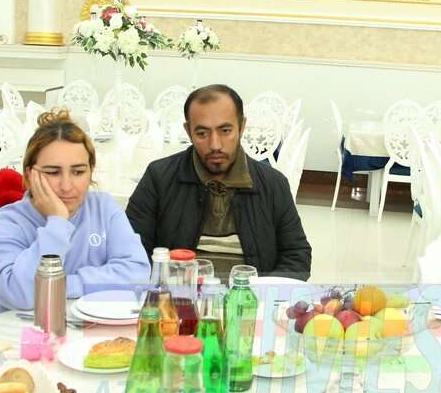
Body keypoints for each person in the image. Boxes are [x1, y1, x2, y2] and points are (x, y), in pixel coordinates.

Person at [126, 84, 312, 279]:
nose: (215, 145)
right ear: (188, 131)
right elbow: (130, 251)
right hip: (178, 294)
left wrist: (261, 291)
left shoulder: (272, 184)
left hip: (251, 295)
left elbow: (296, 256)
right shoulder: (159, 178)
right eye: (202, 133)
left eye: (225, 130)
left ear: (242, 127)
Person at [0, 109, 150, 309]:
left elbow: (137, 274)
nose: (67, 186)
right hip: (17, 327)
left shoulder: (104, 208)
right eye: (53, 172)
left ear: (91, 172)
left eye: (78, 172)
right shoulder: (6, 223)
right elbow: (21, 295)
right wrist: (57, 223)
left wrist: (58, 285)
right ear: (29, 175)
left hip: (87, 325)